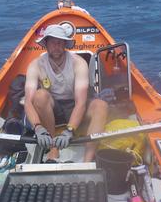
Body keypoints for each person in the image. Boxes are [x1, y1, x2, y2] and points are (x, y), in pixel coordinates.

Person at [24, 24, 108, 162]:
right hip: (52, 109)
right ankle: (53, 148)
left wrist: (70, 130)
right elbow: (28, 101)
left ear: (65, 44)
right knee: (39, 96)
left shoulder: (78, 63)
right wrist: (38, 127)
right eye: (52, 42)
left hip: (74, 105)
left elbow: (80, 102)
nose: (56, 46)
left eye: (60, 42)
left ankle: (87, 161)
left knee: (101, 105)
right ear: (46, 44)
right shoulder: (36, 65)